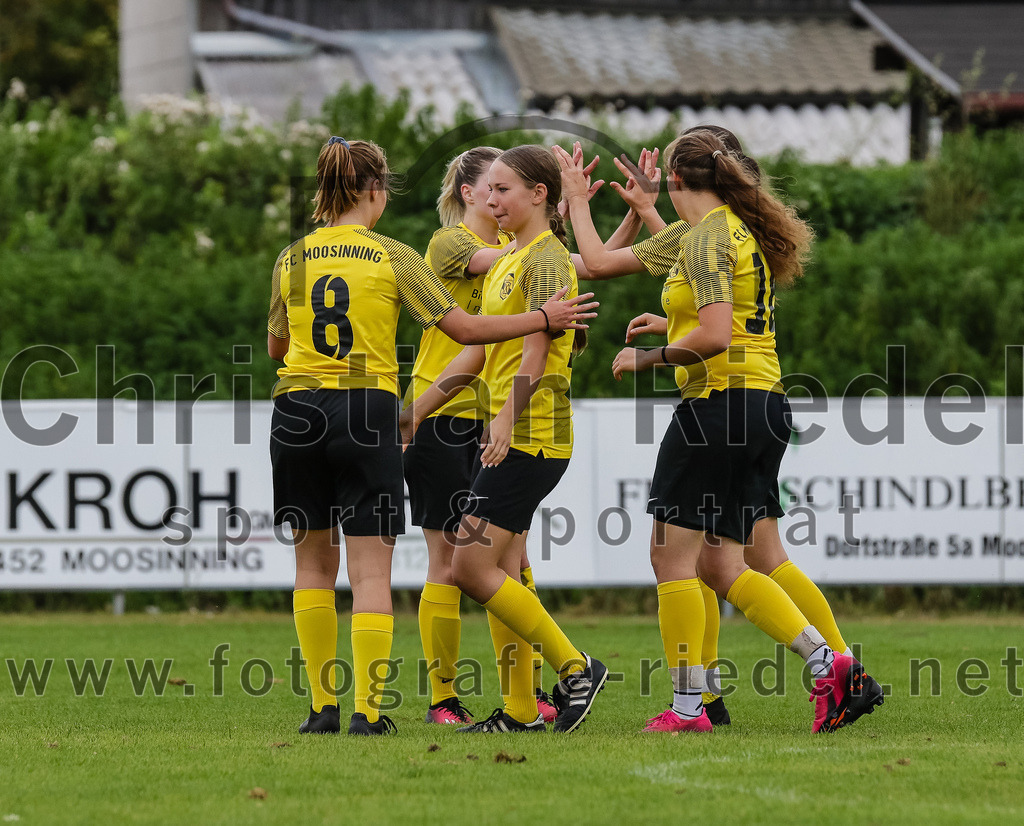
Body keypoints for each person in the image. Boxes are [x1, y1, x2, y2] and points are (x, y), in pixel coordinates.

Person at [555, 129, 884, 733]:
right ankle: (831, 664)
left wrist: (648, 358)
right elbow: (605, 265)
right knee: (722, 566)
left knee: (670, 558)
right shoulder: (727, 229)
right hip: (760, 404)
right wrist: (666, 310)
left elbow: (713, 335)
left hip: (719, 406)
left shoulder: (707, 236)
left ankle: (692, 708)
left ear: (678, 180)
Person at [267, 136, 597, 736]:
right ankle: (369, 711)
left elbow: (277, 346)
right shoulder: (394, 256)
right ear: (376, 192)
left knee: (312, 566)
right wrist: (544, 319)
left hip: (295, 408)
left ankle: (321, 710)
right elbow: (464, 328)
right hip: (365, 408)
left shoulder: (291, 259)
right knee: (371, 572)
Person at [406, 143, 650, 726]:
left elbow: (535, 360)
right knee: (500, 570)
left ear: (537, 195)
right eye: (488, 189)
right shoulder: (517, 256)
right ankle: (520, 709)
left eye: (503, 189)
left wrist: (502, 421)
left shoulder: (542, 260)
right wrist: (412, 413)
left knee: (469, 567)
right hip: (510, 430)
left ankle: (574, 668)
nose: (492, 200)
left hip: (529, 432)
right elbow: (473, 355)